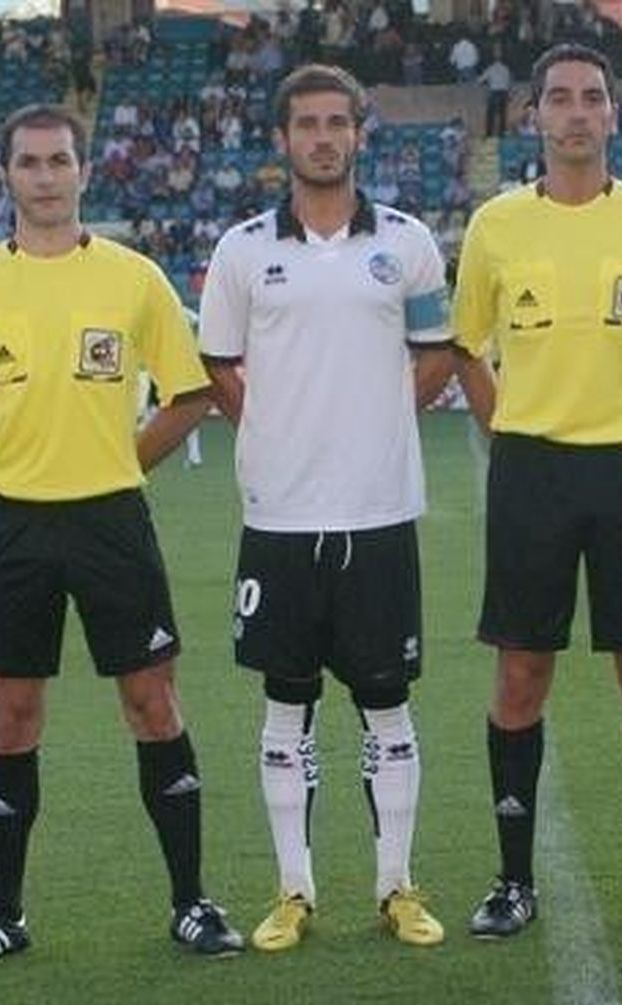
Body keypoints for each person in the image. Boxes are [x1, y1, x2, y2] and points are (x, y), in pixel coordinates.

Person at [0, 105, 244, 971]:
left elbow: (189, 395)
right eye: (28, 162)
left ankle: (191, 902)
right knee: (12, 712)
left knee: (151, 702)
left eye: (59, 160)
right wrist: (17, 465)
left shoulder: (135, 280)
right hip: (14, 524)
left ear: (84, 170)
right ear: (5, 176)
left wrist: (116, 461)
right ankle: (2, 913)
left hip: (111, 519)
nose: (45, 176)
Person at [450, 44, 622, 942]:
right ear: (533, 116)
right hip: (531, 471)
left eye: (590, 98)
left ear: (612, 115)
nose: (574, 112)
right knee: (522, 672)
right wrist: (508, 425)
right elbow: (464, 345)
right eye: (557, 98)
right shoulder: (495, 226)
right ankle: (512, 880)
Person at [198, 65, 454, 952]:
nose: (322, 136)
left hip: (380, 512)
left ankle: (396, 885)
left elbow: (438, 354)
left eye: (337, 121)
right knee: (286, 704)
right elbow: (219, 368)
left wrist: (369, 426)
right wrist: (280, 434)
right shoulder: (240, 252)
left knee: (386, 702)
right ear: (282, 139)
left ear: (359, 133)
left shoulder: (410, 244)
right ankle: (293, 890)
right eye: (306, 122)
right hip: (280, 518)